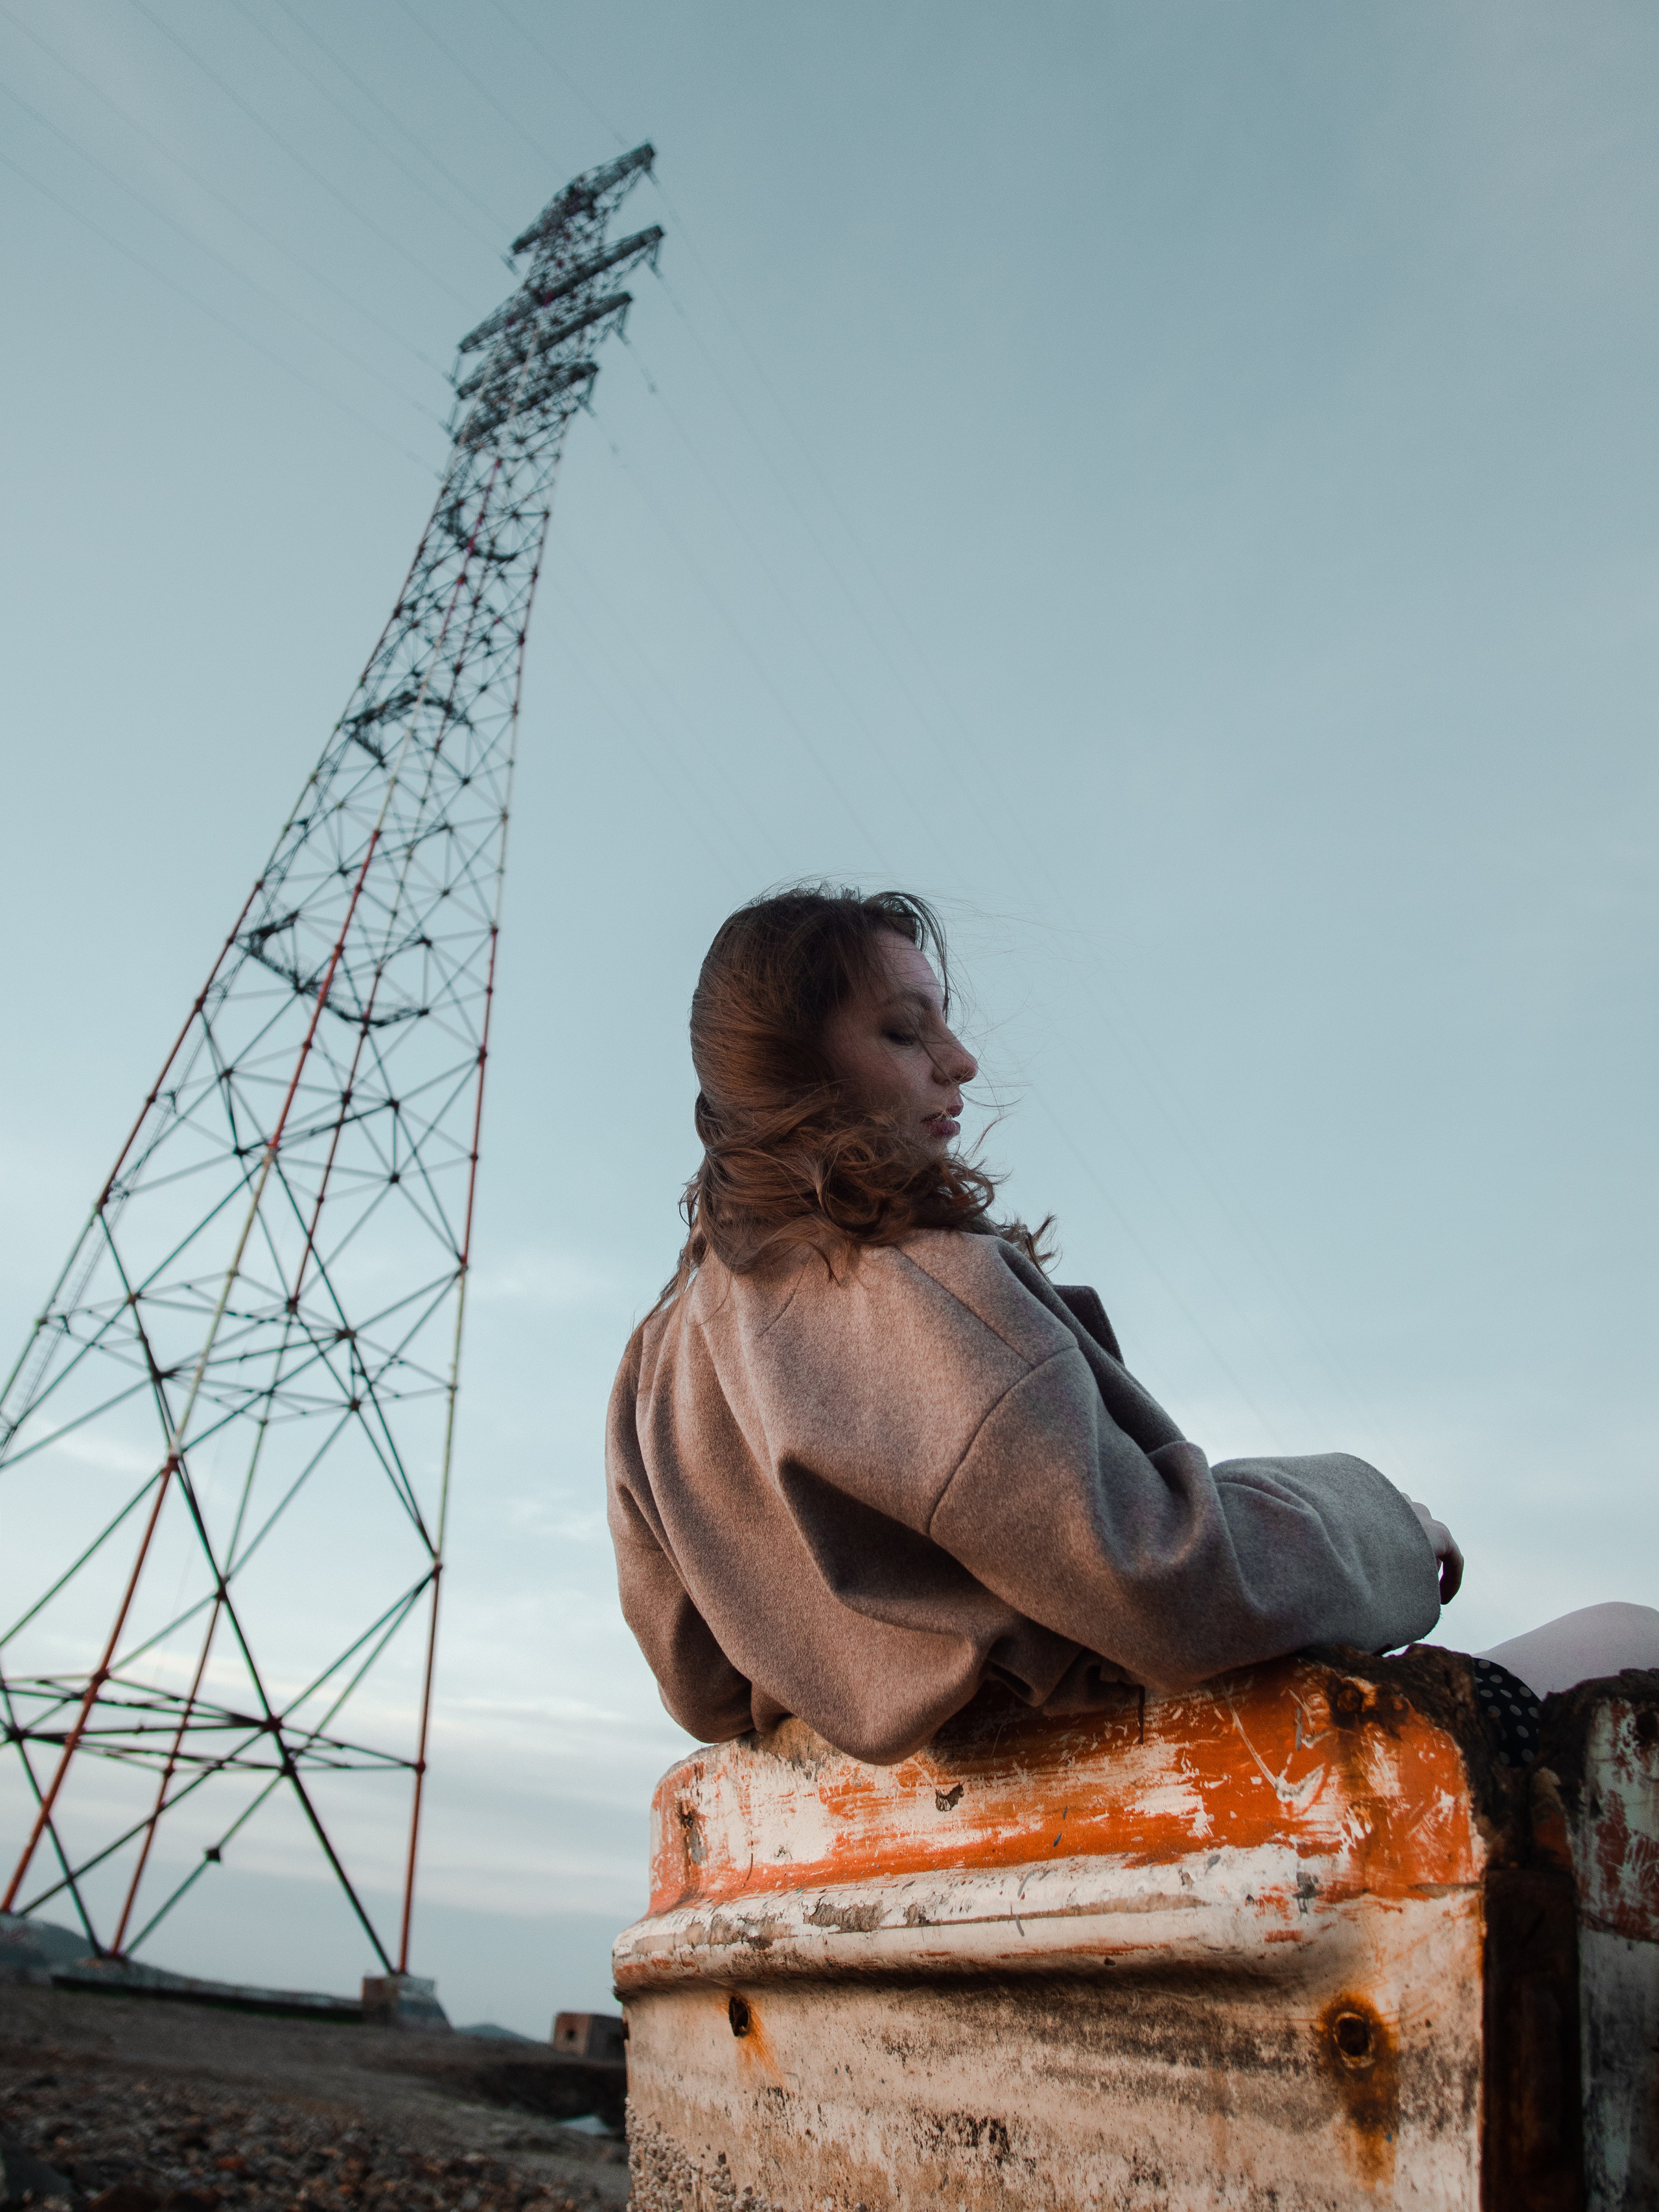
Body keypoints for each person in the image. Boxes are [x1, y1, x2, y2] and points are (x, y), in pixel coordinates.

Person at [606, 885, 1659, 1767]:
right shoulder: (915, 1294)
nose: (961, 1060)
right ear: (796, 1069)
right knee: (1629, 1637)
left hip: (914, 1864)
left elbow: (700, 1682)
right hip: (1143, 1795)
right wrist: (1389, 1524)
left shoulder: (655, 1369)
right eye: (903, 1030)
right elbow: (1160, 1575)